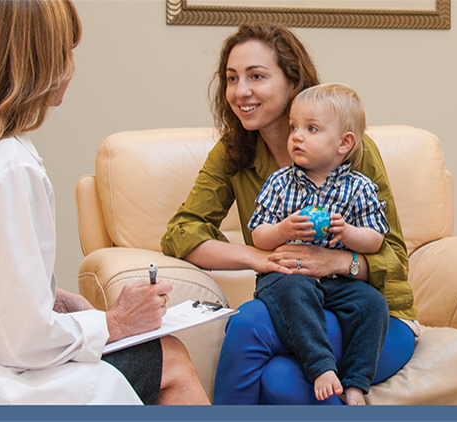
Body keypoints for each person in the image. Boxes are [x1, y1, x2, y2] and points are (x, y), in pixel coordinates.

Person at [0, 0, 208, 405]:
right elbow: (24, 343)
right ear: (41, 62)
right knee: (171, 360)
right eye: (67, 50)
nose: (72, 65)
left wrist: (55, 297)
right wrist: (114, 322)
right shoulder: (7, 165)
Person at [160, 23, 417, 405]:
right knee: (279, 379)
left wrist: (332, 261)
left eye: (256, 76)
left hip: (369, 318)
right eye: (231, 78)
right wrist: (259, 258)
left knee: (249, 325)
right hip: (295, 304)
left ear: (292, 83)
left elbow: (394, 258)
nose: (240, 91)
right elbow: (181, 232)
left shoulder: (352, 152)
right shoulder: (235, 153)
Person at [248, 83, 390, 405]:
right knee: (295, 292)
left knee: (373, 305)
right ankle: (321, 367)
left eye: (311, 129)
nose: (297, 136)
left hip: (338, 280)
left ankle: (355, 381)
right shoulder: (280, 181)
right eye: (294, 127)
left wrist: (348, 233)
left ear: (344, 143)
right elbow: (259, 234)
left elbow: (376, 238)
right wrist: (283, 229)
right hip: (289, 277)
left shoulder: (359, 187)